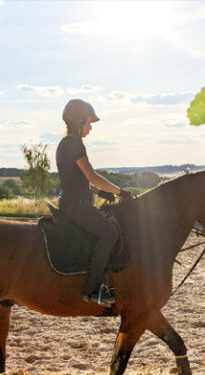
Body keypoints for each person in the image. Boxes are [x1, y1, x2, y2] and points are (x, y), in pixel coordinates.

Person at [56, 99, 132, 307]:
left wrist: (102, 193)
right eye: (89, 122)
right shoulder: (74, 144)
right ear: (80, 121)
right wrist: (120, 192)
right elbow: (92, 176)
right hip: (76, 205)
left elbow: (80, 180)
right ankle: (93, 289)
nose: (91, 128)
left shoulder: (66, 144)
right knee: (110, 233)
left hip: (73, 202)